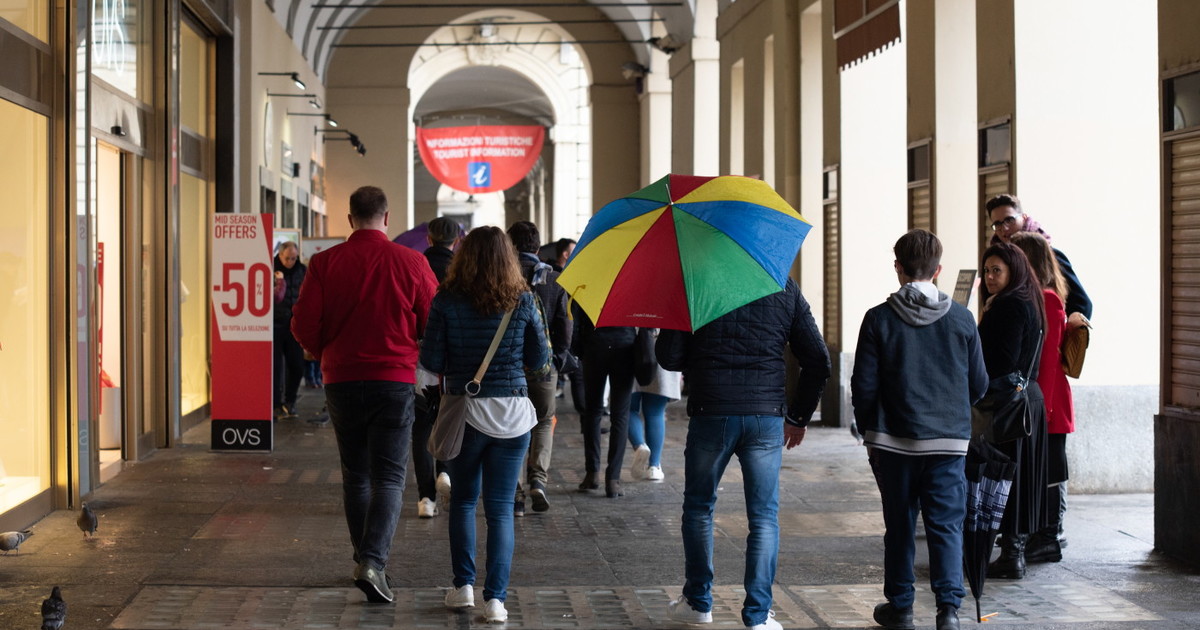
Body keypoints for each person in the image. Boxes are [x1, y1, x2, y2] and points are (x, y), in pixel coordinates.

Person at [290, 186, 439, 604]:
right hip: (393, 379)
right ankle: (372, 561)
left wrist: (325, 353)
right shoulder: (412, 262)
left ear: (350, 217)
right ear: (386, 218)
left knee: (355, 475)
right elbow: (431, 321)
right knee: (390, 475)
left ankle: (364, 557)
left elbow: (302, 322)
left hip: (341, 378)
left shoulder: (324, 263)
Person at [659, 278, 831, 630]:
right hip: (765, 416)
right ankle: (758, 615)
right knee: (764, 517)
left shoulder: (697, 281)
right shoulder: (784, 286)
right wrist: (798, 415)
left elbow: (669, 357)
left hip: (712, 411)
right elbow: (818, 359)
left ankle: (697, 602)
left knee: (698, 508)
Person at [851, 229, 989, 630]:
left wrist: (869, 432)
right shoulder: (963, 320)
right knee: (946, 527)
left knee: (900, 525)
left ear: (898, 268)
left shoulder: (877, 319)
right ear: (939, 270)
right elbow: (979, 385)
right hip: (948, 444)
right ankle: (948, 611)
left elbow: (864, 385)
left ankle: (901, 606)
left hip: (893, 444)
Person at [419, 226, 548, 624]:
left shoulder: (446, 300)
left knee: (462, 501)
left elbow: (432, 360)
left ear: (464, 256)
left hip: (467, 412)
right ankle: (496, 600)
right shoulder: (524, 299)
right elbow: (541, 358)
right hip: (513, 416)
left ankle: (464, 588)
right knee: (501, 510)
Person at [976, 242, 1049, 580]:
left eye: (997, 271)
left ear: (1012, 272)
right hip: (1027, 401)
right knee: (1020, 479)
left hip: (1007, 406)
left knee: (1005, 478)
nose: (990, 277)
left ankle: (1010, 556)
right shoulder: (1030, 301)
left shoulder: (1006, 307)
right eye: (987, 271)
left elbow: (998, 362)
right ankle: (1013, 551)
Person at [1009, 232, 1075, 564]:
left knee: (1051, 470)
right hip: (1044, 404)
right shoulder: (1038, 296)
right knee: (1042, 468)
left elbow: (1048, 361)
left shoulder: (1048, 299)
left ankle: (1049, 537)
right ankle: (1041, 535)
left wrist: (1043, 410)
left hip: (1049, 405)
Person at [507, 221, 571, 515]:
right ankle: (539, 480)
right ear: (537, 246)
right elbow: (565, 325)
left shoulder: (502, 277)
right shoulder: (555, 281)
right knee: (544, 422)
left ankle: (516, 496)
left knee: (512, 427)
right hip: (544, 368)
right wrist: (557, 359)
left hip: (509, 368)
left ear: (511, 245)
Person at [411, 215, 461, 519]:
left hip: (421, 357)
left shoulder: (416, 264)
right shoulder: (463, 270)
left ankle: (425, 498)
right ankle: (445, 471)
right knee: (449, 420)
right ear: (455, 241)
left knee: (420, 427)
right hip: (454, 360)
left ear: (429, 238)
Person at [985, 194, 1092, 324]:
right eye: (997, 224)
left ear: (1023, 218)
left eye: (1009, 220)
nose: (1004, 228)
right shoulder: (996, 260)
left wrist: (1065, 334)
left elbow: (1082, 303)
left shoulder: (1050, 256)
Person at [572, 308, 636, 498]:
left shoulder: (588, 281)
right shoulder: (630, 281)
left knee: (592, 411)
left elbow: (575, 318)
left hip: (594, 346)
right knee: (621, 414)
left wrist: (578, 349)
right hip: (625, 346)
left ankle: (592, 473)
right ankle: (613, 480)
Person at [628, 330, 682, 482]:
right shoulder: (671, 305)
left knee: (628, 409)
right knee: (655, 413)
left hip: (631, 349)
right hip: (662, 350)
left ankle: (639, 446)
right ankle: (654, 466)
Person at [273, 240, 306, 419]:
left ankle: (290, 400)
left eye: (294, 258)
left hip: (294, 325)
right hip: (275, 324)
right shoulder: (270, 268)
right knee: (275, 368)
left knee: (297, 366)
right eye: (287, 258)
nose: (291, 262)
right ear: (280, 254)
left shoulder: (302, 271)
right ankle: (276, 404)